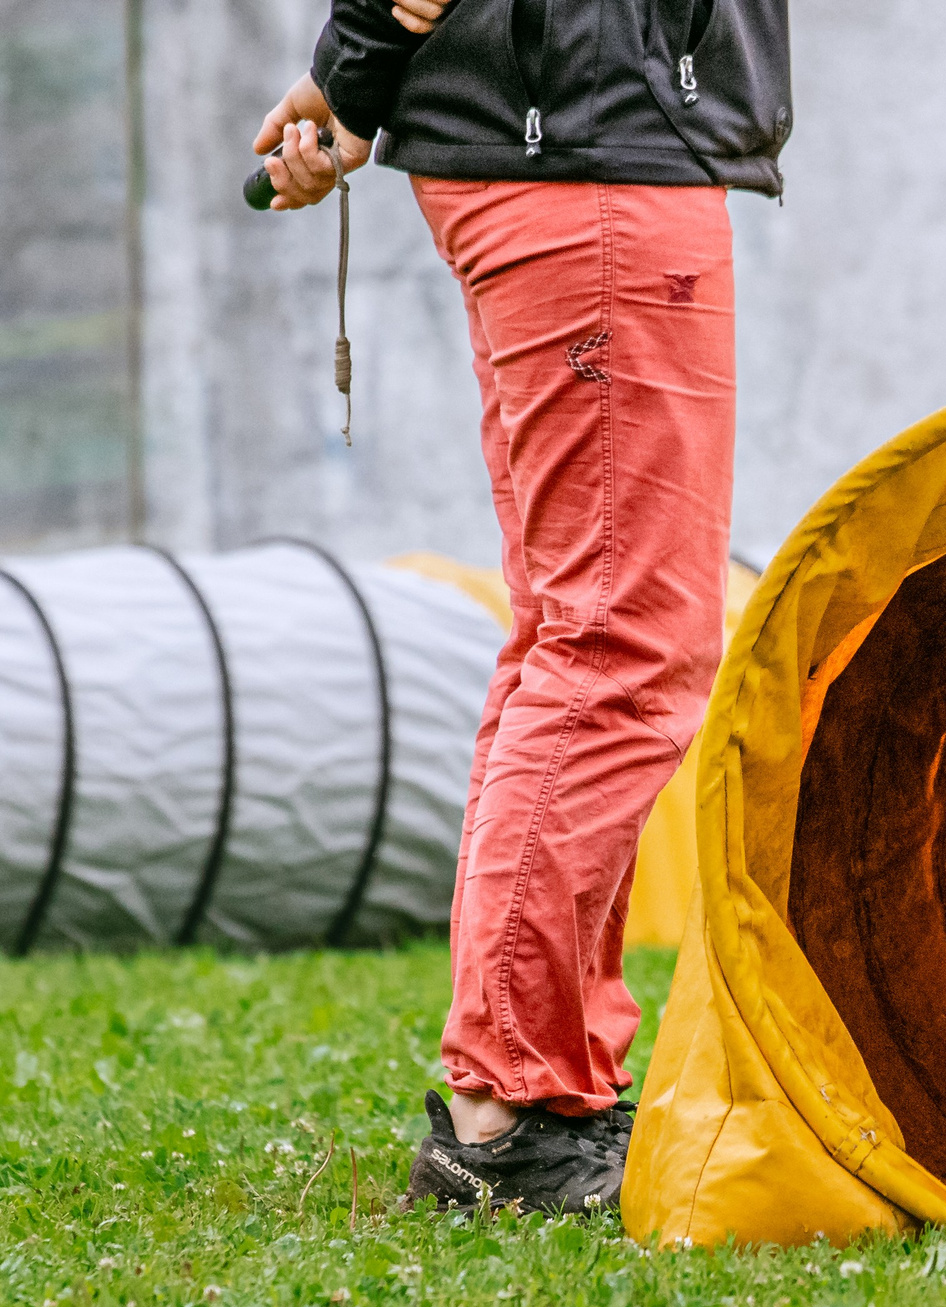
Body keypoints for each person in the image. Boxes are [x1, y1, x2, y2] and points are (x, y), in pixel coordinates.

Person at [255, 0, 792, 1212]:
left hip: (581, 153)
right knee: (621, 645)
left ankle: (540, 1085)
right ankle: (508, 1111)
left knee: (578, 632)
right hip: (588, 164)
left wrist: (356, 86)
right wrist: (352, 77)